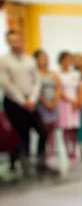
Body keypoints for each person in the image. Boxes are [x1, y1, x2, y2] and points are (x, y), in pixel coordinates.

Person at [0, 30, 58, 176]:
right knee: (21, 133)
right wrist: (22, 100)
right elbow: (6, 83)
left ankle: (40, 159)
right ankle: (23, 163)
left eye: (18, 40)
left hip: (31, 100)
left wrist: (32, 99)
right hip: (14, 102)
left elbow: (36, 81)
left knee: (42, 131)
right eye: (12, 40)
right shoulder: (4, 60)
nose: (16, 43)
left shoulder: (29, 60)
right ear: (8, 42)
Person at [33, 49, 61, 163]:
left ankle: (52, 152)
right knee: (43, 129)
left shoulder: (53, 74)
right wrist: (46, 102)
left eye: (46, 57)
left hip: (53, 102)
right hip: (42, 104)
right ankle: (42, 153)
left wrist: (55, 101)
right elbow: (35, 90)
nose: (44, 60)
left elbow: (58, 88)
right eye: (42, 58)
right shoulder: (35, 74)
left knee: (52, 129)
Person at [57, 51, 82, 162]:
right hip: (64, 103)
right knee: (66, 128)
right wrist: (70, 100)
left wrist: (77, 101)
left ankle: (75, 150)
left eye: (69, 60)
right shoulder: (57, 75)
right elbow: (59, 90)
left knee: (74, 128)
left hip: (76, 103)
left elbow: (79, 89)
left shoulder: (76, 74)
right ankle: (68, 151)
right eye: (65, 60)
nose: (67, 62)